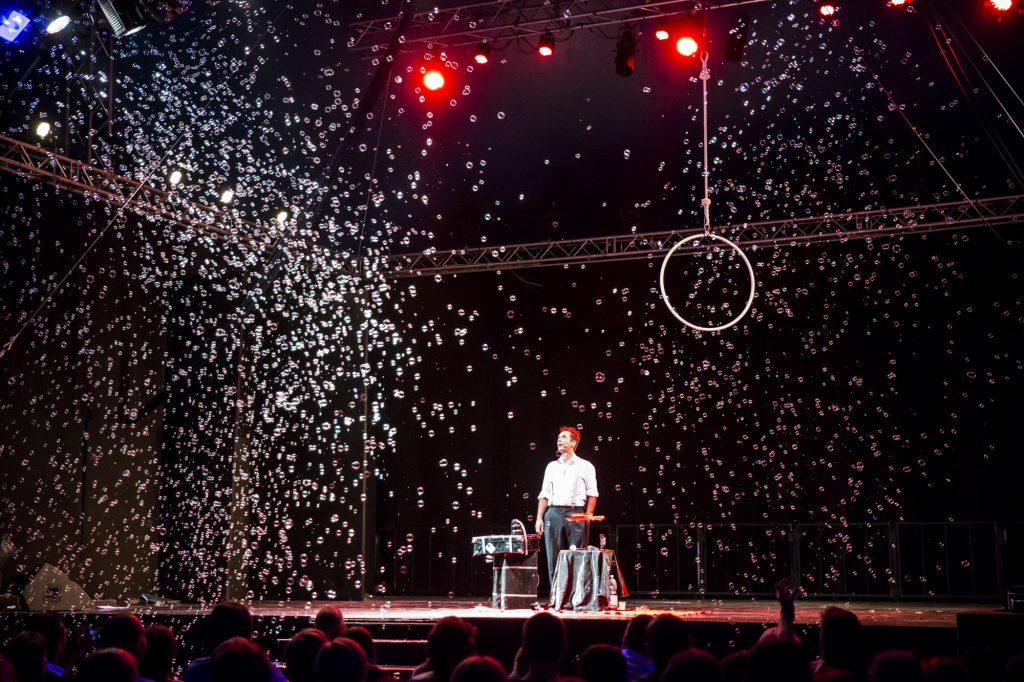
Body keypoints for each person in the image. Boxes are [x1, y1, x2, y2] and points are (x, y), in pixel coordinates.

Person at [535, 426, 598, 591]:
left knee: (577, 556)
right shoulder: (551, 466)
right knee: (554, 557)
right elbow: (545, 494)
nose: (559, 440)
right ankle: (557, 595)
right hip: (554, 513)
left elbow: (593, 494)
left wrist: (587, 516)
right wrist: (539, 518)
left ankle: (576, 596)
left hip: (576, 513)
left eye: (563, 437)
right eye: (558, 438)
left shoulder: (585, 466)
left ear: (573, 442)